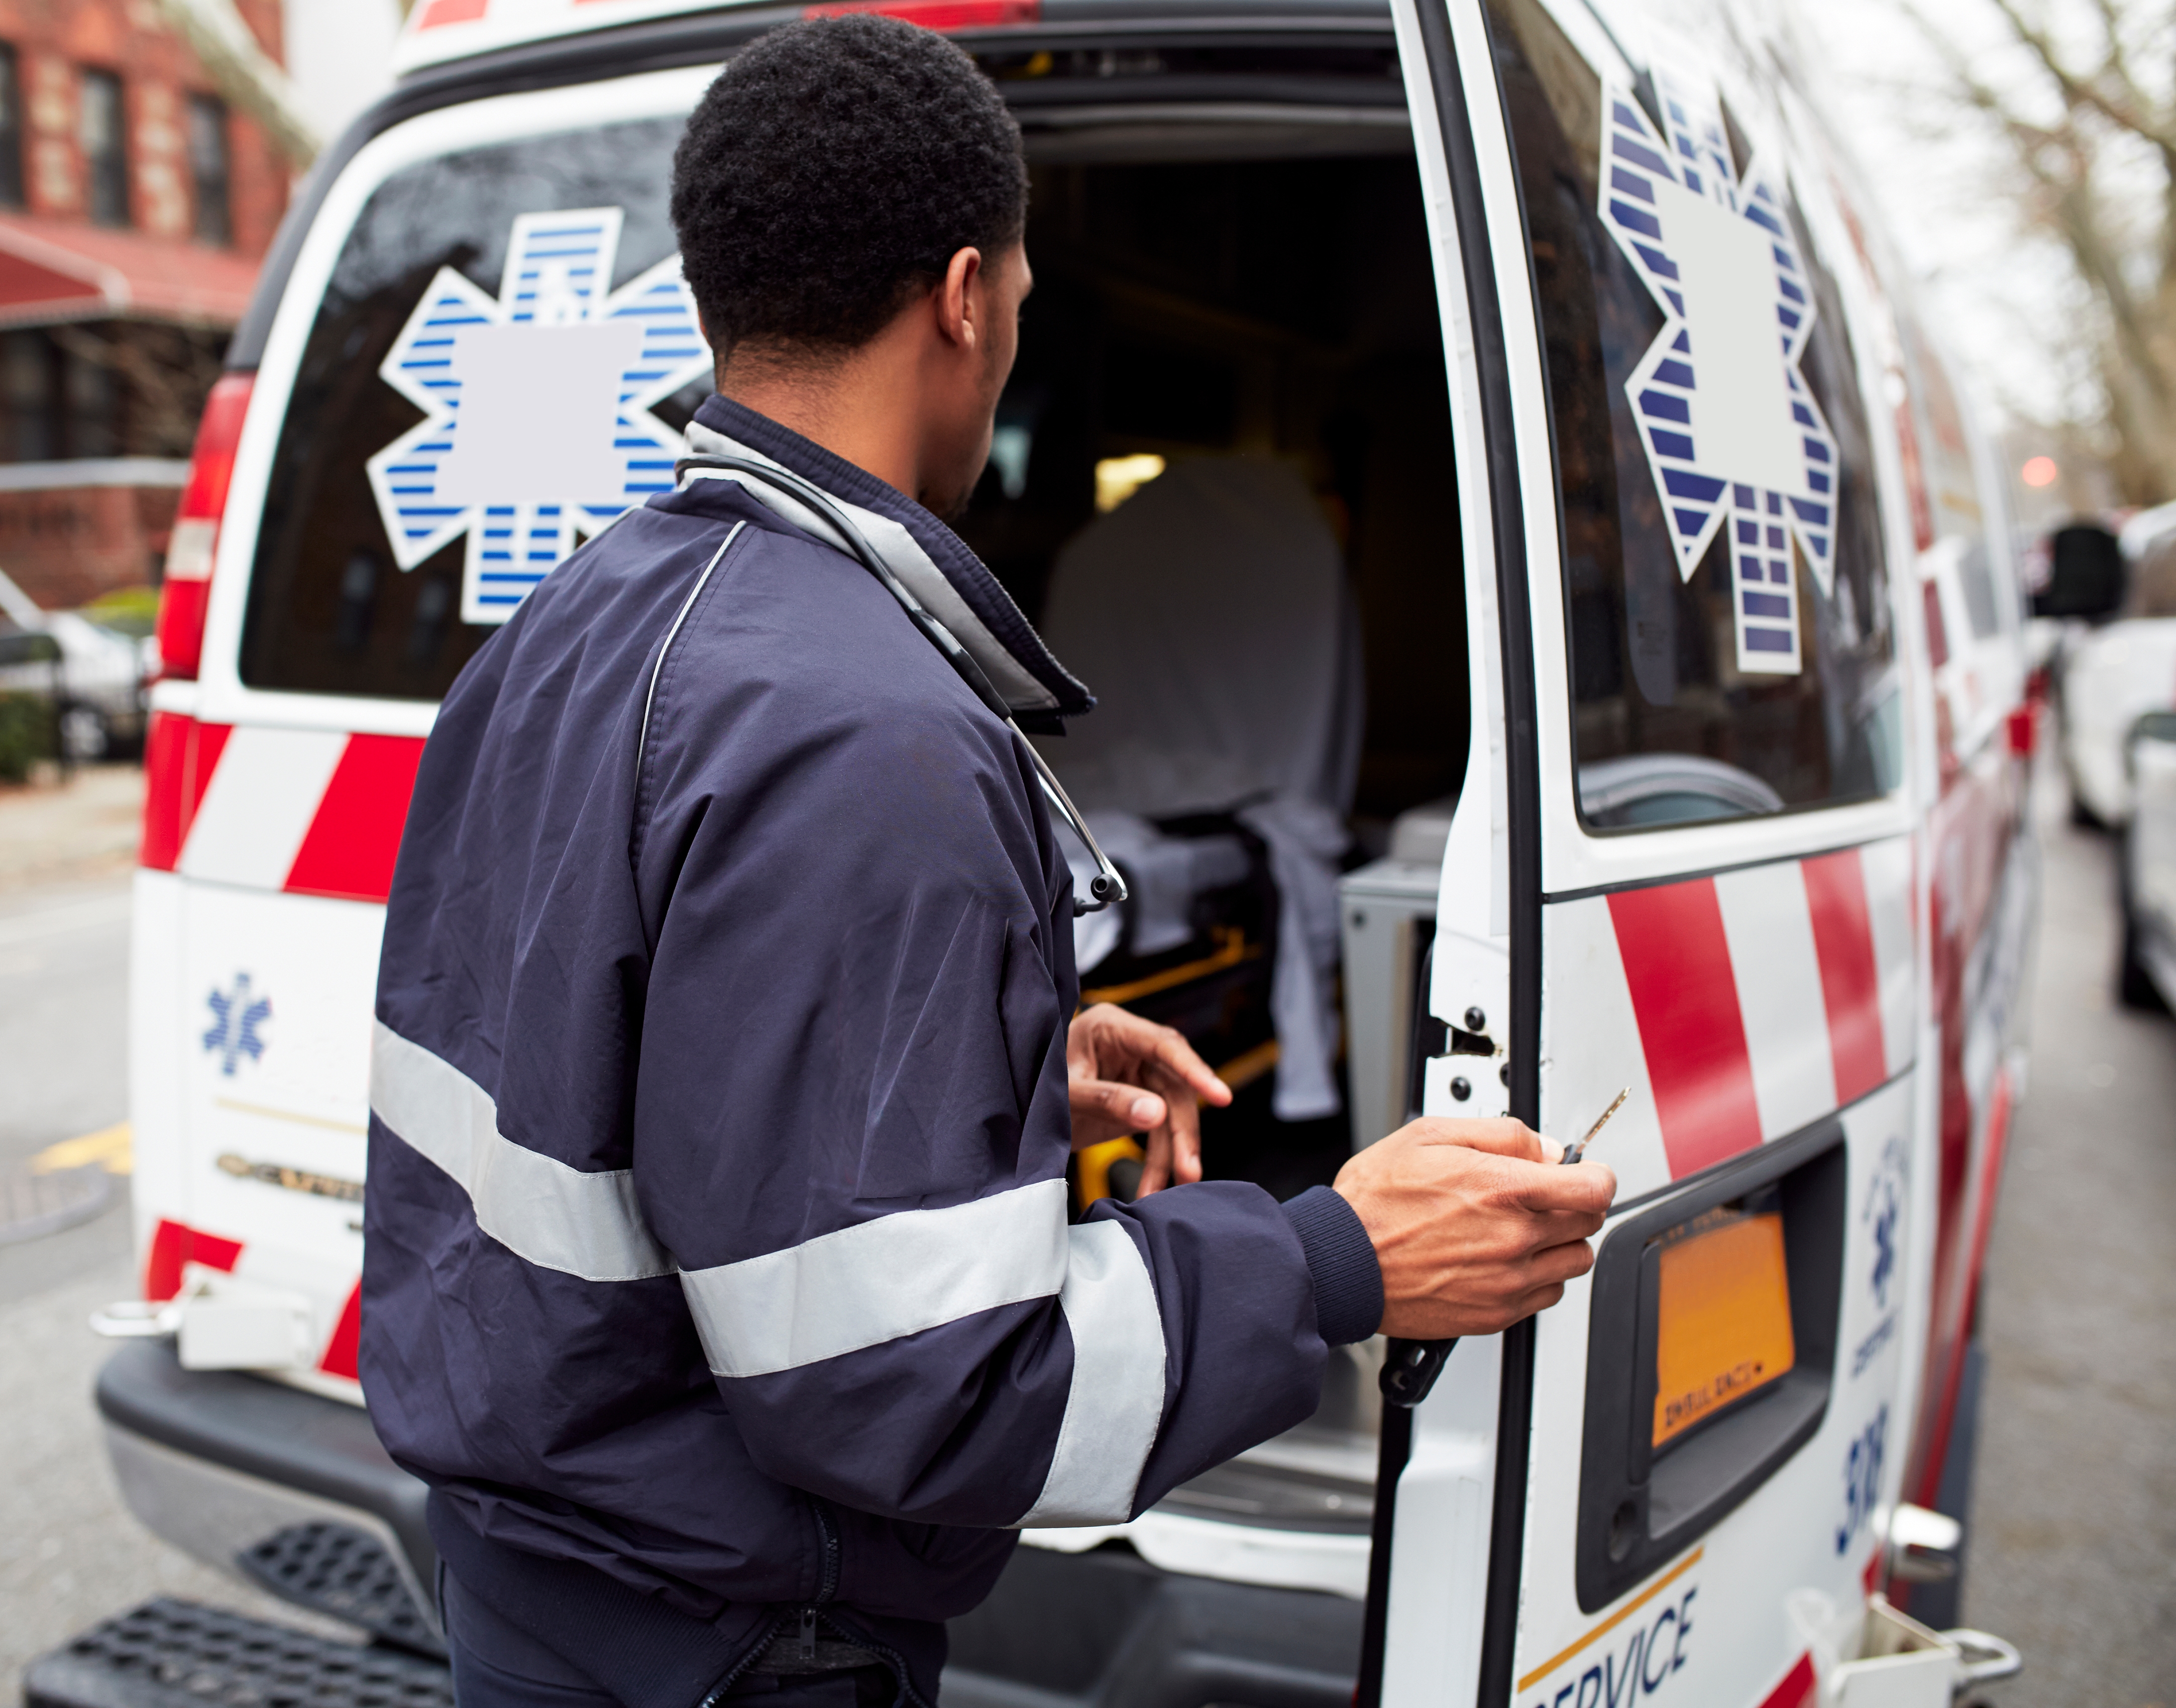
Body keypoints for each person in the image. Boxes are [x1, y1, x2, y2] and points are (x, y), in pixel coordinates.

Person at [360, 17, 1616, 1708]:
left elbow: (626, 1063)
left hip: (534, 1582)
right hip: (737, 1646)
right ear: (965, 294)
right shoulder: (867, 729)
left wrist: (996, 1042)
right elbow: (917, 1388)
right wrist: (1333, 1259)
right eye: (1018, 299)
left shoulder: (570, 626)